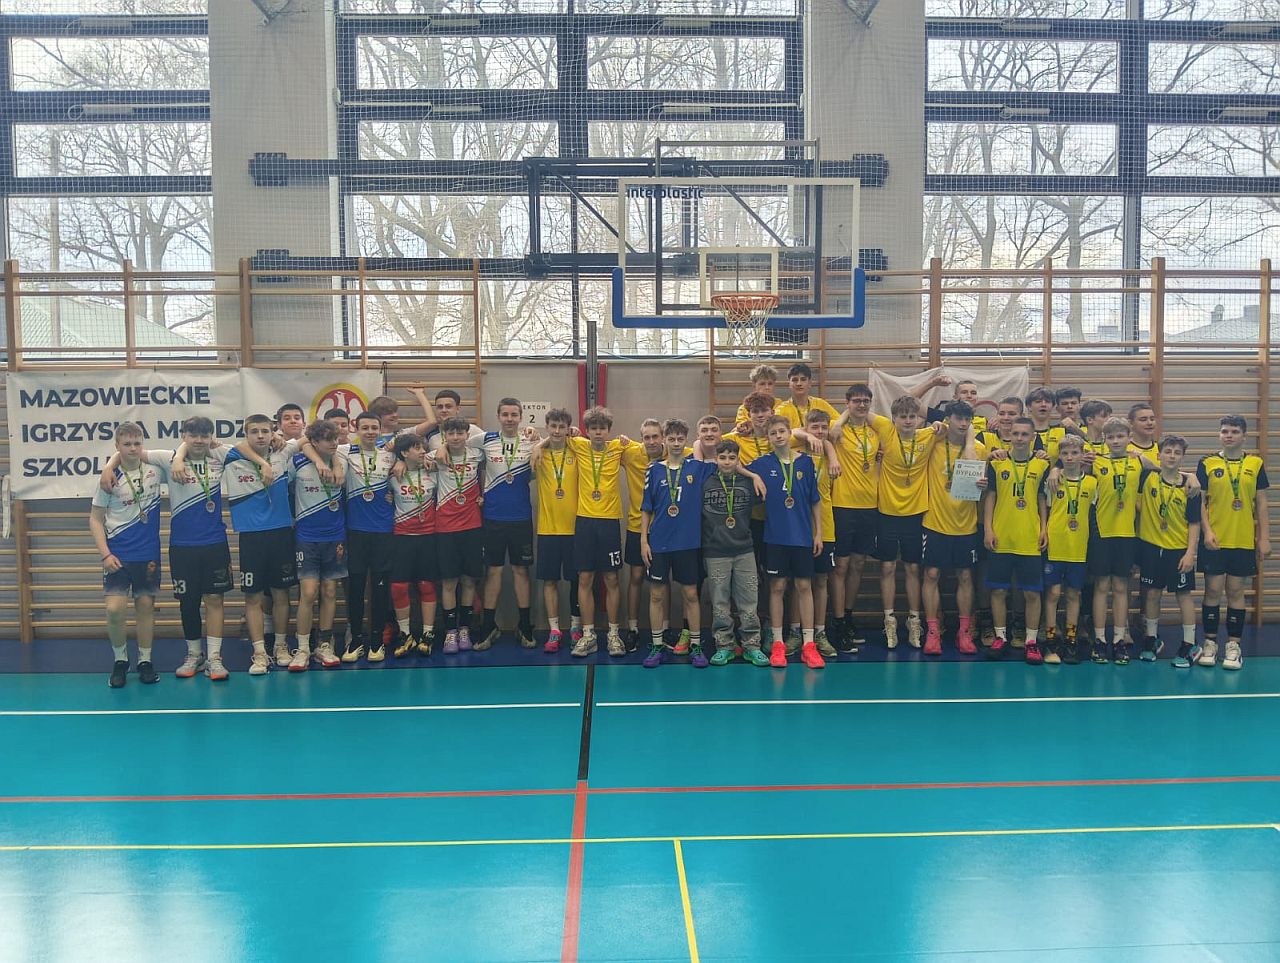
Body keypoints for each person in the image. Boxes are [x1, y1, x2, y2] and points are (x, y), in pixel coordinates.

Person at [158, 417, 234, 681]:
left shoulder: (219, 456)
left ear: (211, 437)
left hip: (214, 543)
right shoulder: (168, 459)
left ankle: (214, 658)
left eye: (204, 435)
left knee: (214, 599)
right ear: (184, 436)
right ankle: (194, 654)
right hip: (182, 546)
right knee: (188, 602)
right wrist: (179, 457)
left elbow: (250, 449)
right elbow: (129, 453)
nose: (199, 441)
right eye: (193, 435)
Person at [90, 422, 165, 688]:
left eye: (137, 443)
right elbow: (95, 519)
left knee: (145, 607)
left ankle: (145, 660)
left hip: (148, 553)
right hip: (117, 555)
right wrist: (105, 555)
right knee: (114, 610)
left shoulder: (155, 471)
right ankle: (121, 660)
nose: (133, 449)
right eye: (127, 444)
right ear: (117, 446)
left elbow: (183, 455)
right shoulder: (108, 479)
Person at [222, 413, 298, 674]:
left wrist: (280, 439)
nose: (261, 436)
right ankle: (259, 653)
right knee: (253, 596)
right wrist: (263, 463)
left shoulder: (284, 451)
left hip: (281, 533)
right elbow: (205, 443)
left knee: (281, 594)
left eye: (265, 431)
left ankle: (280, 646)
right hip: (251, 536)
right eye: (254, 431)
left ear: (273, 432)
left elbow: (309, 437)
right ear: (246, 434)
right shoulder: (232, 456)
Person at [639, 419, 718, 668]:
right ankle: (657, 645)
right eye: (671, 439)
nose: (675, 443)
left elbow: (727, 461)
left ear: (686, 441)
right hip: (659, 542)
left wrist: (753, 476)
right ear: (664, 440)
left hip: (688, 543)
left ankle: (695, 645)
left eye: (680, 439)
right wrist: (644, 540)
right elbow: (646, 508)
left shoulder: (698, 468)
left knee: (691, 594)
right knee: (656, 595)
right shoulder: (654, 469)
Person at [751, 415, 825, 669]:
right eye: (773, 433)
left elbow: (815, 500)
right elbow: (734, 466)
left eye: (782, 431)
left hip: (802, 536)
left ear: (789, 433)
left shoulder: (805, 462)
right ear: (768, 438)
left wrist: (818, 533)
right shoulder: (762, 464)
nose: (778, 436)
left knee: (804, 586)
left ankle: (809, 645)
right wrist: (753, 477)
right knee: (777, 587)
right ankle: (778, 643)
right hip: (775, 538)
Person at [1196, 415, 1271, 670]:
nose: (1229, 436)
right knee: (1213, 590)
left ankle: (1233, 646)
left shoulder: (1255, 463)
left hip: (1243, 540)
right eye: (1225, 431)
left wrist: (1264, 538)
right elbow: (1200, 502)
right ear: (1219, 435)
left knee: (1236, 592)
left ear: (1244, 436)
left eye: (1234, 431)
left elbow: (1261, 504)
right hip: (1215, 540)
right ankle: (1210, 643)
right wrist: (1206, 532)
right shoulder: (1207, 463)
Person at [871, 394, 940, 649]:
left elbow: (960, 427)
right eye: (903, 417)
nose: (908, 421)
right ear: (894, 418)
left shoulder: (928, 435)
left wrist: (938, 424)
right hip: (886, 513)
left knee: (913, 569)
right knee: (887, 568)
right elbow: (856, 410)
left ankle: (914, 620)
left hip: (916, 513)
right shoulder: (886, 431)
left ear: (919, 418)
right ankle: (889, 620)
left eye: (912, 416)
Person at [982, 416, 1049, 663]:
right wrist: (988, 529)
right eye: (1015, 433)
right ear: (1009, 434)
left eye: (1024, 434)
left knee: (1031, 593)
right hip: (1002, 536)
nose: (1019, 438)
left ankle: (1031, 641)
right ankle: (1000, 637)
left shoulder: (1042, 465)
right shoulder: (997, 463)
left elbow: (1042, 498)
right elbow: (990, 496)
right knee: (999, 590)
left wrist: (1044, 528)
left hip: (1029, 538)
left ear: (1033, 437)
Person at [921, 401, 983, 656]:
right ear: (948, 419)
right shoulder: (934, 442)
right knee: (931, 574)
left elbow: (984, 484)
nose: (963, 423)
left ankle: (964, 632)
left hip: (965, 524)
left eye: (967, 419)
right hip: (934, 521)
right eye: (958, 418)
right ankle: (933, 632)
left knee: (966, 576)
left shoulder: (978, 448)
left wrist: (983, 484)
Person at [701, 439, 768, 666]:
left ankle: (752, 646)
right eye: (722, 458)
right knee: (720, 603)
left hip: (744, 550)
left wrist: (753, 475)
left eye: (732, 458)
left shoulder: (748, 482)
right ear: (716, 459)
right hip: (715, 551)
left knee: (749, 601)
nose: (727, 462)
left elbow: (765, 496)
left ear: (738, 460)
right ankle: (725, 646)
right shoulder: (706, 481)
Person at [1136, 435, 1201, 666]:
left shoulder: (1190, 488)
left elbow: (1194, 523)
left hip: (1178, 550)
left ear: (1182, 457)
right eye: (1168, 451)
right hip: (1152, 547)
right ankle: (1151, 639)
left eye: (1177, 453)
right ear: (1159, 455)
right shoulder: (1147, 477)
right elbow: (1136, 458)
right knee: (1152, 594)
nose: (1172, 456)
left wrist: (1190, 553)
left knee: (1183, 595)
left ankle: (1189, 643)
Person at [478, 398, 536, 650]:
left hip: (521, 518)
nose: (510, 419)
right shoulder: (485, 439)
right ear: (498, 416)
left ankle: (524, 625)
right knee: (493, 571)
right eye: (505, 414)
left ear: (521, 417)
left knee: (521, 571)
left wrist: (572, 431)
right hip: (493, 518)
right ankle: (489, 625)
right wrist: (442, 448)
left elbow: (559, 440)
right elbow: (454, 442)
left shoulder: (531, 441)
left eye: (514, 414)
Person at [289, 420, 347, 671]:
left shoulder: (342, 459)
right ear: (314, 442)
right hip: (307, 536)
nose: (334, 443)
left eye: (335, 438)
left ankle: (324, 645)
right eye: (327, 439)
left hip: (335, 536)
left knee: (330, 591)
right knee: (309, 593)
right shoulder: (297, 462)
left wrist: (335, 462)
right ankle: (302, 647)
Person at [1087, 416, 1143, 664]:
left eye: (1120, 436)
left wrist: (1190, 476)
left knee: (1121, 588)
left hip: (1126, 534)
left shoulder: (1138, 461)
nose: (1116, 441)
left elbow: (1166, 470)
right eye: (1110, 437)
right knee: (1101, 587)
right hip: (1101, 533)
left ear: (1129, 438)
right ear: (1104, 439)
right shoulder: (1096, 461)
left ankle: (1119, 640)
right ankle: (1100, 640)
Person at [829, 383, 880, 652]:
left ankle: (848, 618)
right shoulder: (837, 429)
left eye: (865, 401)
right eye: (856, 401)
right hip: (842, 505)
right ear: (847, 403)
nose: (861, 405)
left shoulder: (875, 431)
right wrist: (840, 419)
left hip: (869, 506)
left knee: (858, 565)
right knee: (841, 566)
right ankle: (837, 622)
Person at [433, 416, 486, 654]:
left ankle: (464, 629)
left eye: (460, 433)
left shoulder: (477, 454)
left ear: (467, 434)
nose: (455, 438)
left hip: (472, 526)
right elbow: (405, 461)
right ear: (444, 436)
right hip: (445, 528)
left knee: (469, 580)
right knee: (448, 582)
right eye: (450, 434)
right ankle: (450, 633)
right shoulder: (434, 457)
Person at [1042, 434, 1097, 665]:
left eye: (1075, 453)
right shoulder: (1053, 481)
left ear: (1082, 454)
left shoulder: (1092, 483)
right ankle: (1051, 640)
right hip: (1055, 544)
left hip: (1078, 546)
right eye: (1065, 453)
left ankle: (1071, 640)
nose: (1070, 457)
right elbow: (1045, 508)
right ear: (1060, 456)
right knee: (1053, 593)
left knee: (1074, 594)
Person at [532, 408, 582, 653]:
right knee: (550, 580)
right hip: (548, 529)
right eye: (553, 426)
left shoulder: (576, 451)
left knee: (576, 581)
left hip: (575, 529)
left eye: (562, 426)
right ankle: (554, 630)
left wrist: (575, 435)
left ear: (568, 428)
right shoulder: (539, 453)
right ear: (547, 427)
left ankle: (575, 627)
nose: (557, 431)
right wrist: (537, 444)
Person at [794, 408, 840, 658]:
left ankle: (820, 632)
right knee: (798, 582)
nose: (820, 432)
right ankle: (795, 632)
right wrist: (806, 436)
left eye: (824, 427)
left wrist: (831, 454)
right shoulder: (795, 450)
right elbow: (789, 431)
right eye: (815, 428)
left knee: (821, 581)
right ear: (806, 428)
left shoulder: (831, 451)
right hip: (798, 528)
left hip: (825, 526)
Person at [389, 432, 438, 657]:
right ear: (404, 452)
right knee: (398, 587)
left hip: (428, 537)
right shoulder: (392, 474)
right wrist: (398, 462)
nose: (422, 451)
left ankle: (428, 634)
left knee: (426, 585)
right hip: (402, 537)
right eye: (417, 448)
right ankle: (405, 634)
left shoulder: (433, 471)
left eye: (423, 447)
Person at [622, 419, 667, 651]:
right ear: (641, 439)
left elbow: (707, 445)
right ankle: (633, 629)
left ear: (662, 437)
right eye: (646, 437)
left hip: (665, 528)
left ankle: (665, 629)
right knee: (637, 577)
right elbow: (600, 447)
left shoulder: (677, 452)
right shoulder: (630, 453)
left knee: (662, 581)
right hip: (636, 526)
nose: (651, 441)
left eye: (655, 436)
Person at [775, 362, 839, 429]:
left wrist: (836, 425)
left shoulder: (820, 404)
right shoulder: (781, 410)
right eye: (795, 380)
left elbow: (840, 420)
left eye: (803, 379)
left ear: (810, 383)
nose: (799, 383)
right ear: (789, 384)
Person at [916, 374, 989, 432]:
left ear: (977, 398)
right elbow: (911, 402)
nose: (969, 396)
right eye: (964, 392)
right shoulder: (945, 417)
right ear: (955, 397)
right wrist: (932, 383)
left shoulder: (984, 421)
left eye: (973, 393)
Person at [1026, 388, 1066, 465]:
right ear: (1029, 406)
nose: (1043, 404)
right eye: (1038, 401)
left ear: (1053, 406)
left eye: (1047, 401)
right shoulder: (1019, 433)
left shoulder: (1062, 432)